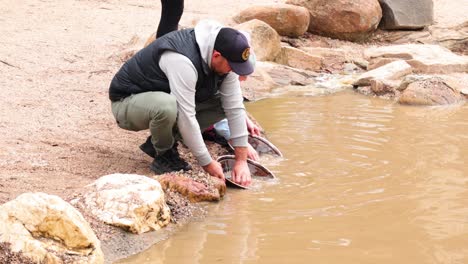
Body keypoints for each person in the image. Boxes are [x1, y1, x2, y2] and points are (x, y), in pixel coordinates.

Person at [109, 19, 254, 186]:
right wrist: (207, 163)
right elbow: (186, 115)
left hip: (161, 99)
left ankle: (159, 142)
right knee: (166, 106)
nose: (234, 71)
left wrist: (241, 161)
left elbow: (234, 108)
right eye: (232, 66)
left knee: (223, 102)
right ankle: (164, 155)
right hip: (127, 102)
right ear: (216, 56)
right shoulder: (182, 60)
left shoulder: (224, 59)